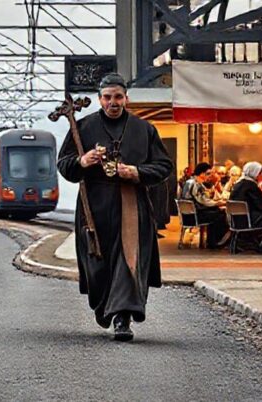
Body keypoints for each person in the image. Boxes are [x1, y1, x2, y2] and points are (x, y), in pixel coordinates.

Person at [57, 72, 172, 341]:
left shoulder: (144, 129)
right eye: (107, 97)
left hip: (132, 204)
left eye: (118, 97)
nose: (113, 102)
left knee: (128, 260)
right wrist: (82, 162)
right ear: (100, 99)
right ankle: (104, 306)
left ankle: (123, 317)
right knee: (97, 264)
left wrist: (136, 172)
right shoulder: (83, 128)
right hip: (93, 207)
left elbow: (163, 166)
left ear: (126, 99)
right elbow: (64, 164)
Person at [229, 162, 262, 254]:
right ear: (254, 173)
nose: (260, 175)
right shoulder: (251, 185)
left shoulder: (238, 184)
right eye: (259, 173)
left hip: (236, 221)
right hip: (249, 220)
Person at [181, 162, 229, 249]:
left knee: (217, 212)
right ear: (202, 173)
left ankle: (213, 241)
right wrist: (218, 203)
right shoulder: (196, 184)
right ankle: (215, 242)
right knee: (220, 214)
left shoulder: (188, 182)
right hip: (195, 215)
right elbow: (203, 201)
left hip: (188, 215)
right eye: (208, 173)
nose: (210, 176)